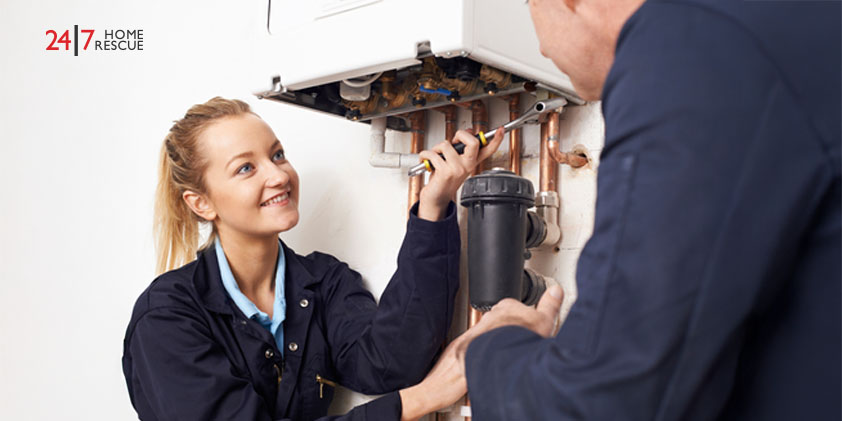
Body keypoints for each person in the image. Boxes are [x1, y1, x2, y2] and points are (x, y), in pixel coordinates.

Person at [454, 0, 842, 420]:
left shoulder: (689, 54)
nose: (543, 50)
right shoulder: (762, 25)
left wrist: (491, 349)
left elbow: (606, 400)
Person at [121, 97, 504, 421]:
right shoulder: (167, 317)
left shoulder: (324, 280)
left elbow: (389, 365)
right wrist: (422, 399)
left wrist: (434, 207)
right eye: (246, 168)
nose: (278, 175)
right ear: (201, 203)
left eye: (278, 155)